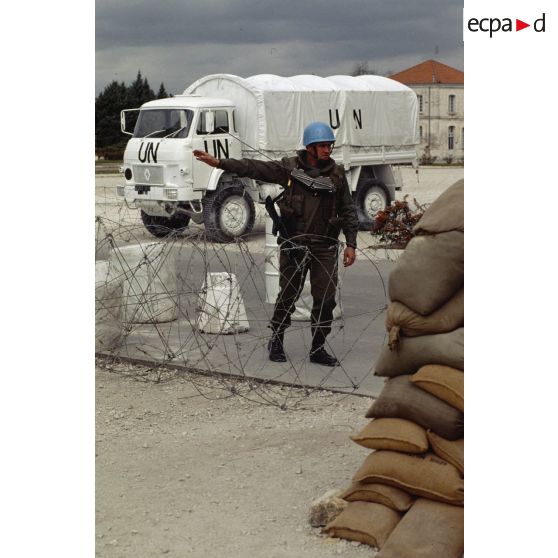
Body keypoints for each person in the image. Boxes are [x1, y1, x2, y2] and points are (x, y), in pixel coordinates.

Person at [193, 122, 358, 366]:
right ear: (310, 148)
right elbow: (254, 168)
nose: (327, 150)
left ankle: (318, 348)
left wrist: (351, 243)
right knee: (288, 296)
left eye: (329, 145)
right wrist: (220, 163)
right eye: (322, 146)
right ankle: (277, 339)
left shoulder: (336, 175)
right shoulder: (289, 169)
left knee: (326, 300)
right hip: (295, 244)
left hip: (325, 246)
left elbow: (348, 210)